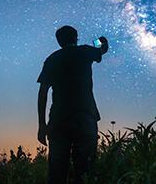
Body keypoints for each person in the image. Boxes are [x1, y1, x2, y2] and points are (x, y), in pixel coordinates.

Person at [37, 25, 108, 184]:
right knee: (85, 171)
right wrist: (101, 41)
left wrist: (42, 125)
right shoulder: (85, 51)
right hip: (84, 118)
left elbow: (42, 93)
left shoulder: (52, 59)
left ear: (59, 41)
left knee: (57, 173)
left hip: (58, 120)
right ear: (75, 37)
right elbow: (103, 49)